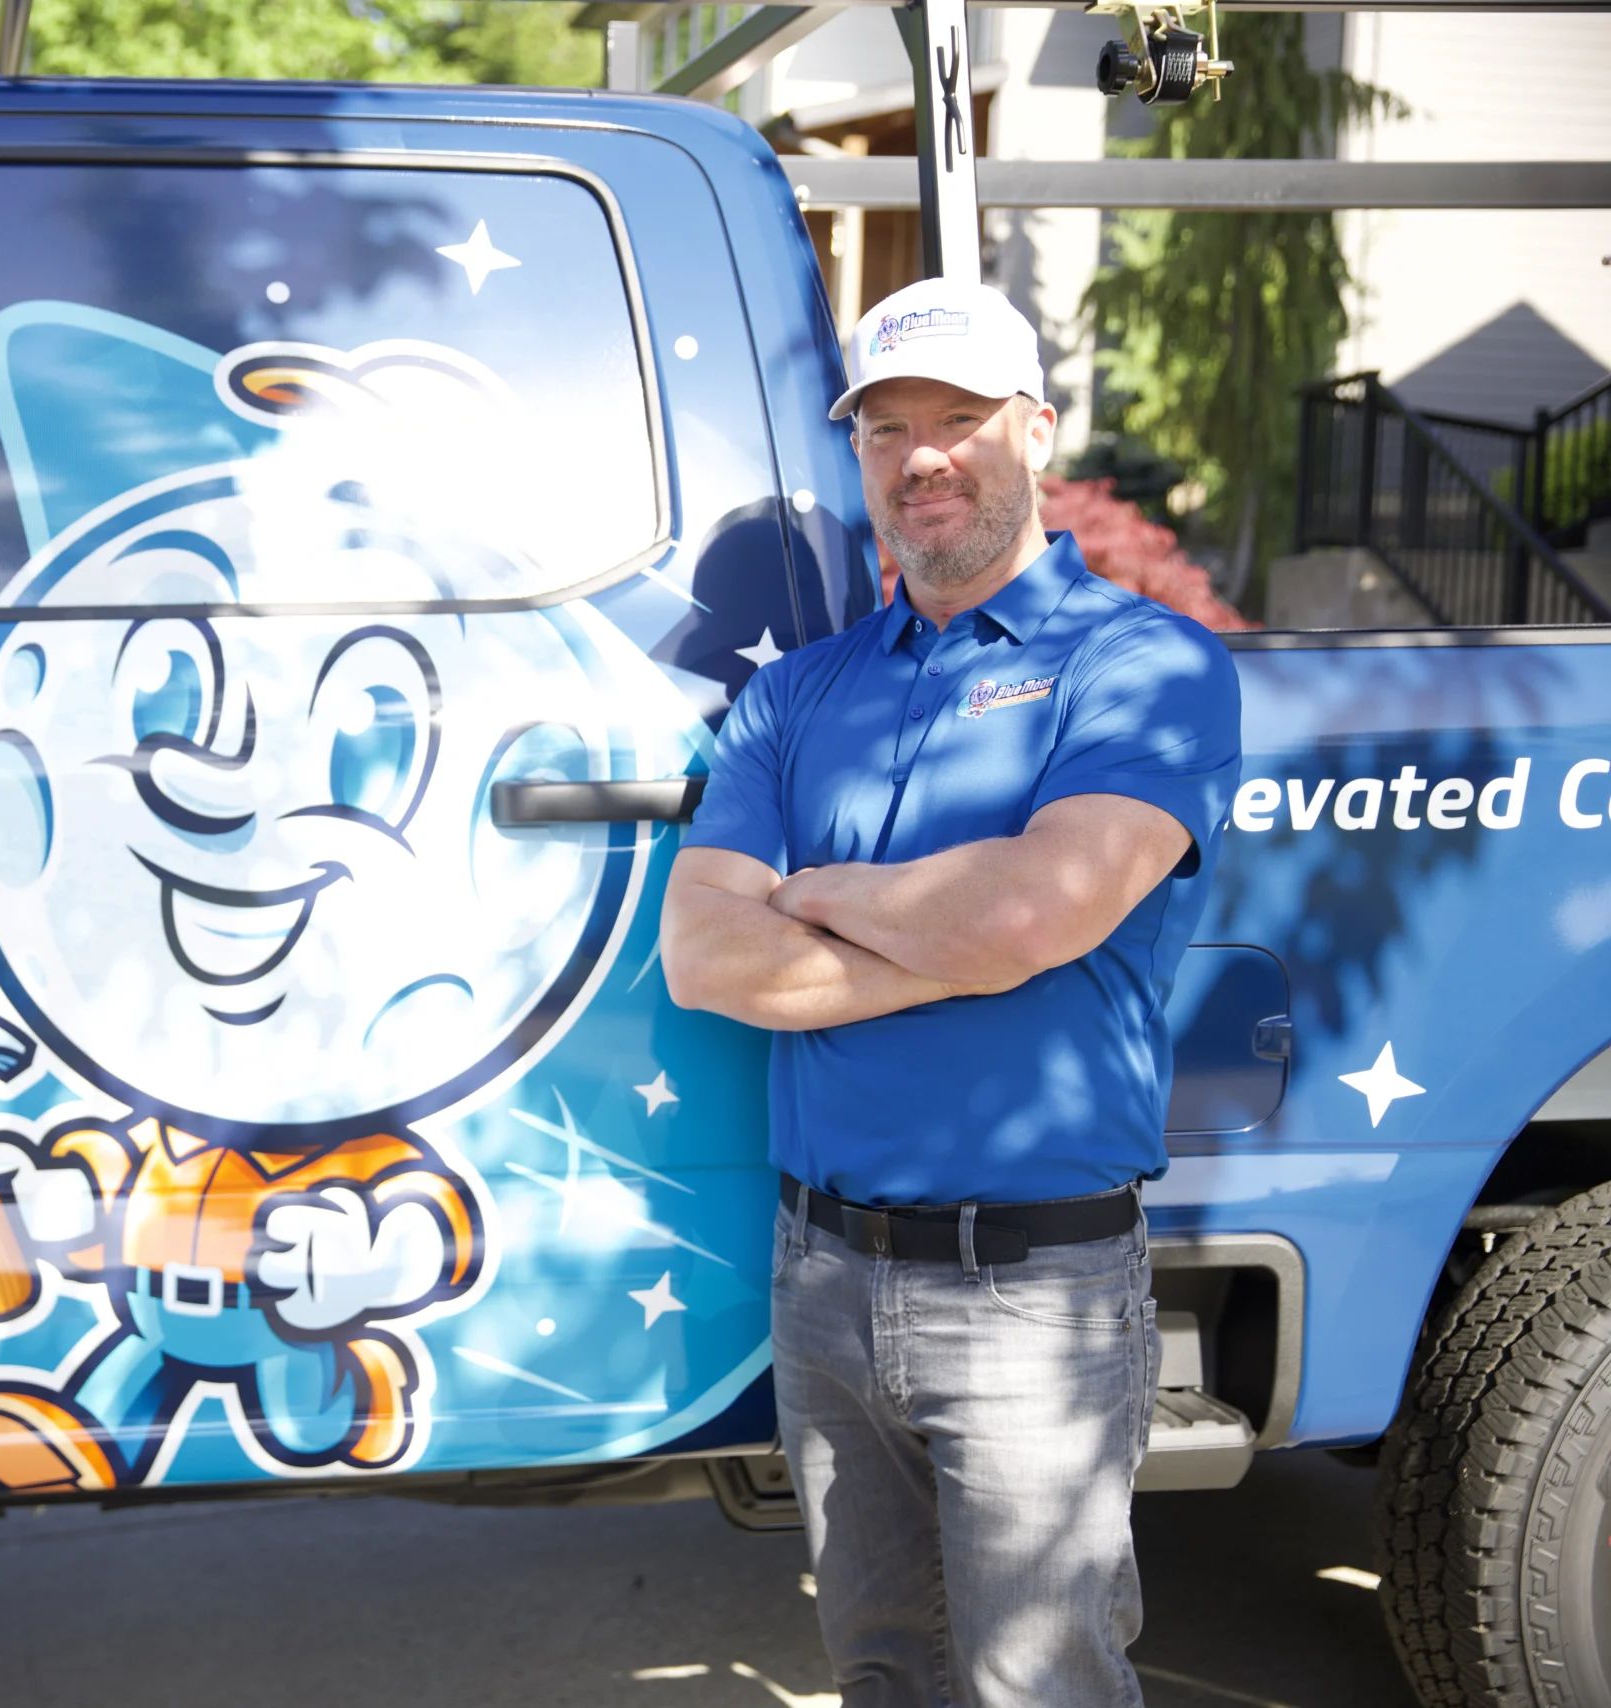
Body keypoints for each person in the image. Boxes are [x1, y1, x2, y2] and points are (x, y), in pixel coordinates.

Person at [661, 277, 1242, 1708]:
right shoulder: (798, 693)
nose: (921, 456)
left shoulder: (1145, 663)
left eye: (961, 420)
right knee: (882, 1675)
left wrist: (821, 889)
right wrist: (960, 936)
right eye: (887, 429)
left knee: (1037, 1682)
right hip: (827, 1285)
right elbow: (700, 954)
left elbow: (1038, 910)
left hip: (1031, 1295)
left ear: (1035, 433)